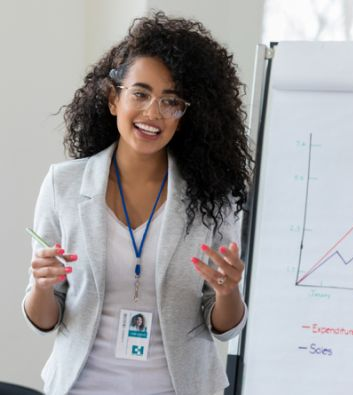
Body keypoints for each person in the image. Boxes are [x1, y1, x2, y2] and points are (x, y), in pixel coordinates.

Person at [22, 11, 253, 395]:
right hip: (83, 386)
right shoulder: (64, 185)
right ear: (114, 99)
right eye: (140, 93)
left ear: (185, 115)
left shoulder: (214, 196)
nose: (152, 113)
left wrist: (229, 292)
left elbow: (223, 326)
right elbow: (45, 320)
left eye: (171, 101)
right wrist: (42, 287)